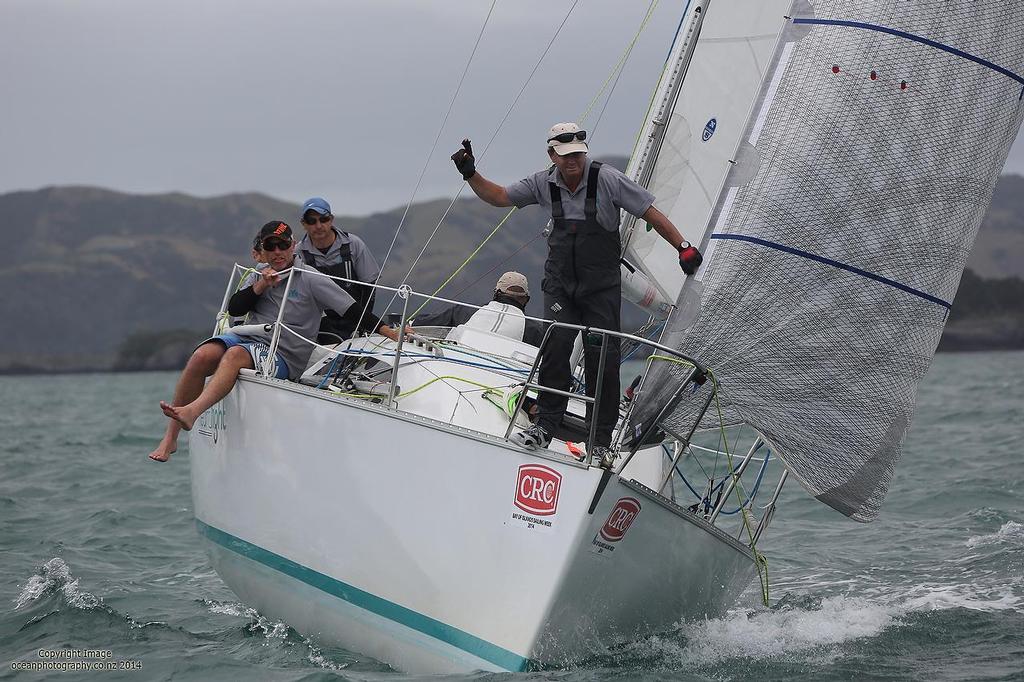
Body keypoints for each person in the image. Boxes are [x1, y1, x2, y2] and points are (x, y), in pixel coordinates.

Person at [451, 122, 703, 465]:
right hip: (561, 285)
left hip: (600, 286)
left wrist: (682, 246)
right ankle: (546, 425)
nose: (573, 162)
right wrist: (470, 174)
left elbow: (649, 212)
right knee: (556, 346)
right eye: (566, 156)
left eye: (579, 155)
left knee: (603, 360)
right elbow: (499, 197)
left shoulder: (607, 179)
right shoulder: (543, 182)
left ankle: (599, 441)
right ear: (552, 154)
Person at [147, 220, 357, 463]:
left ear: (294, 246)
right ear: (264, 250)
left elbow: (351, 309)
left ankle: (193, 412)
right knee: (201, 356)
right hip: (250, 337)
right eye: (271, 246)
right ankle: (170, 438)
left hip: (283, 352)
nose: (277, 252)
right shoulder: (259, 272)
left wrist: (388, 331)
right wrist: (262, 285)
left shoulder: (310, 278)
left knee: (235, 355)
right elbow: (235, 308)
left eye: (283, 245)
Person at [295, 197, 398, 343]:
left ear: (331, 219)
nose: (318, 226)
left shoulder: (353, 244)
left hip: (355, 318)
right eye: (312, 221)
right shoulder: (298, 253)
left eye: (323, 219)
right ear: (303, 224)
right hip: (319, 324)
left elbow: (369, 286)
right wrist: (326, 332)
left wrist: (362, 325)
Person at [412, 271, 545, 346]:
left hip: (452, 368)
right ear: (526, 300)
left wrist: (410, 323)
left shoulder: (465, 312)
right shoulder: (535, 331)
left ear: (496, 293)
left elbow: (420, 323)